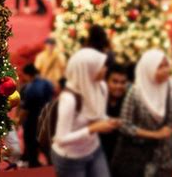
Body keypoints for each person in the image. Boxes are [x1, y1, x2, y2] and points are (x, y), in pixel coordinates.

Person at [111, 49, 172, 177]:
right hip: (141, 159)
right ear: (149, 69)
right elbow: (124, 125)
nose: (165, 70)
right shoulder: (136, 93)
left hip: (167, 157)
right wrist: (154, 135)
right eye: (160, 67)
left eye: (166, 65)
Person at [51, 48, 121, 177]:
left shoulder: (101, 86)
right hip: (70, 157)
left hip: (94, 148)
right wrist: (92, 129)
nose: (105, 69)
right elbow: (61, 139)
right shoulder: (69, 99)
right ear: (87, 70)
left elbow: (98, 115)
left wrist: (108, 121)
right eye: (101, 66)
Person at [19, 64, 54, 167]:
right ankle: (52, 162)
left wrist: (19, 121)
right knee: (46, 142)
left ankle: (34, 163)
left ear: (27, 75)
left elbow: (26, 109)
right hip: (46, 117)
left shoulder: (30, 88)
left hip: (32, 120)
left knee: (31, 143)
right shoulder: (47, 83)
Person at [100, 63, 129, 162]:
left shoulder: (128, 100)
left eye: (123, 82)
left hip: (121, 152)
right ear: (106, 82)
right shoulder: (99, 98)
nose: (119, 86)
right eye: (115, 82)